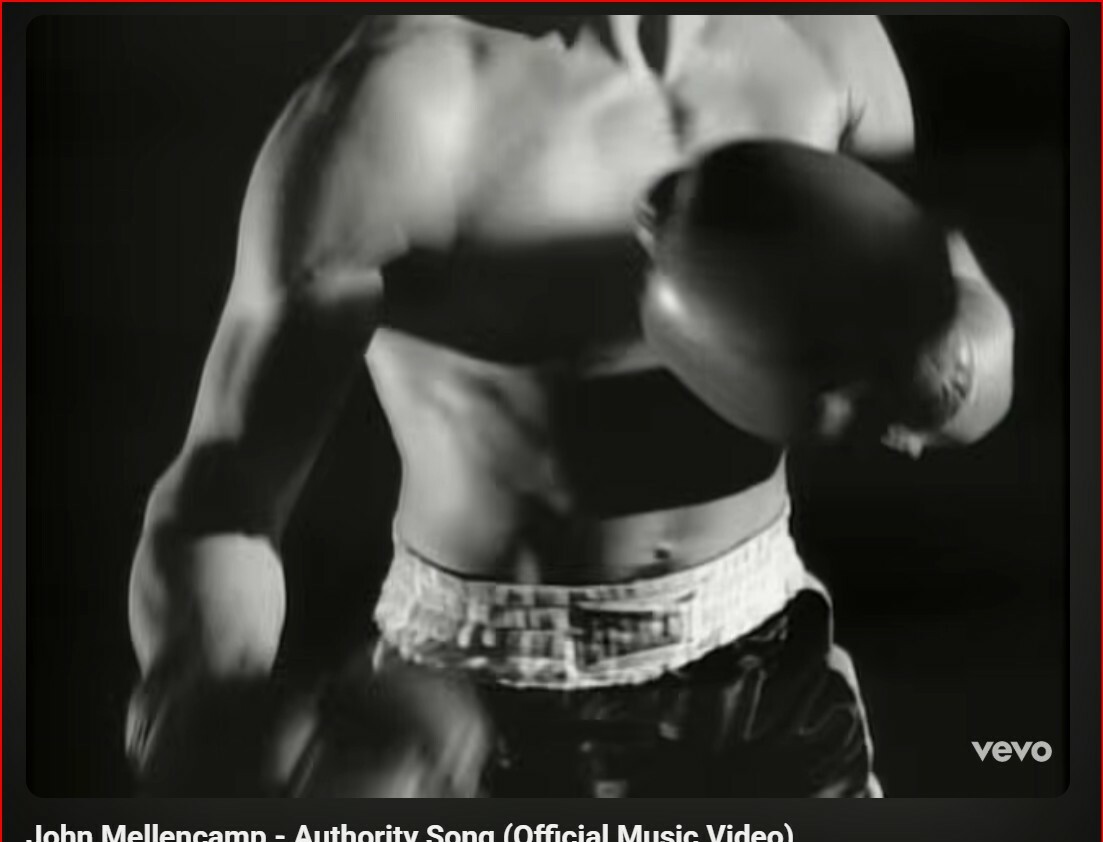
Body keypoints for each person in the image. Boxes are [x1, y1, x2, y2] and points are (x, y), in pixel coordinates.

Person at [125, 14, 1013, 798]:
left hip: (769, 657)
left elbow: (967, 352)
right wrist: (210, 712)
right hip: (494, 697)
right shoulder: (401, 107)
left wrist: (935, 366)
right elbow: (225, 500)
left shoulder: (831, 46)